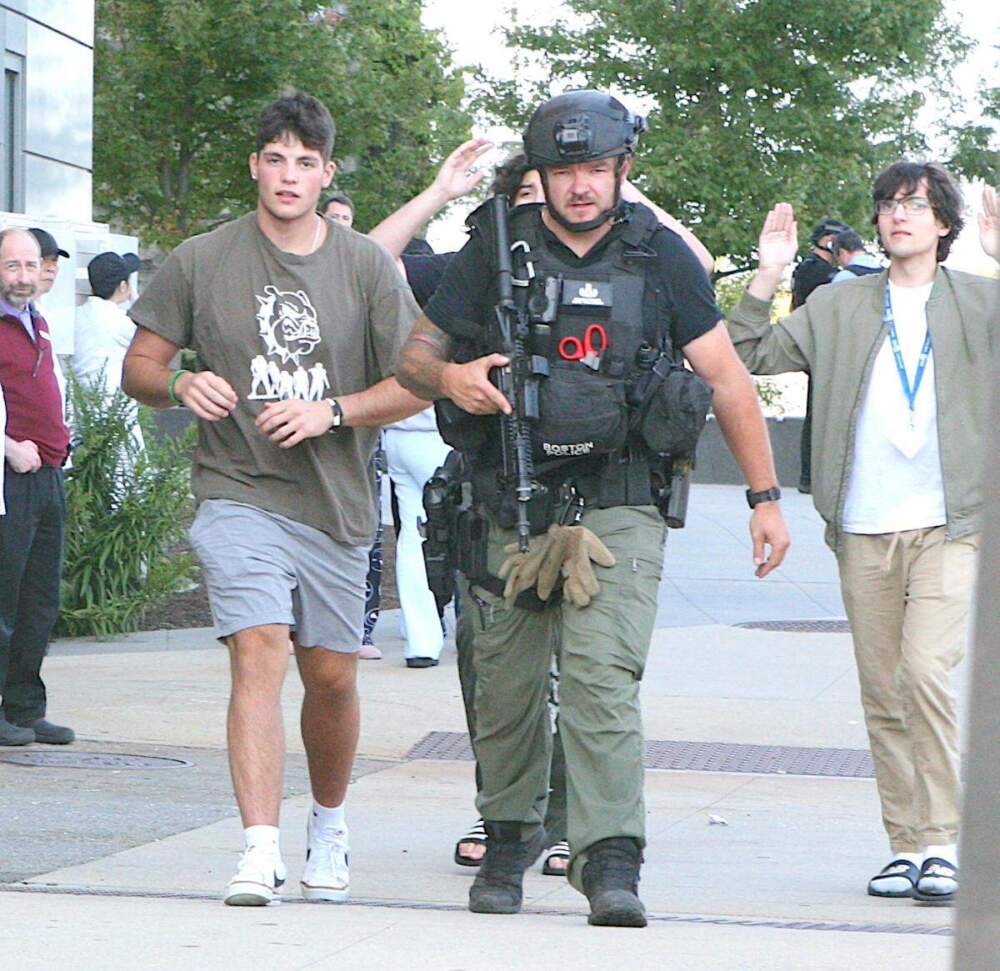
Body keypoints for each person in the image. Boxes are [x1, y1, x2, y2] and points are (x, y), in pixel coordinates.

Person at [396, 89, 789, 927]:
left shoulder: (659, 259)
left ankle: (611, 859)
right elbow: (415, 354)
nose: (579, 185)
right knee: (503, 684)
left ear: (623, 170)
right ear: (542, 173)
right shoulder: (492, 251)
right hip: (512, 495)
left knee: (600, 679)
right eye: (565, 168)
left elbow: (726, 381)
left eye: (596, 168)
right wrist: (452, 377)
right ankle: (508, 841)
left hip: (619, 498)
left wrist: (765, 497)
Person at [122, 90, 424, 906]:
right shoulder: (202, 258)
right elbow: (139, 368)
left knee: (330, 676)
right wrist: (182, 382)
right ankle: (258, 847)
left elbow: (418, 384)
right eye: (276, 158)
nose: (289, 174)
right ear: (255, 166)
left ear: (326, 174)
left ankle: (328, 821)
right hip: (237, 489)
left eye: (306, 161)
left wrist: (333, 410)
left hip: (334, 504)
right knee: (258, 648)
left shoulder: (364, 265)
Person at [728, 163, 999, 907]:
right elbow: (744, 355)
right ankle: (906, 845)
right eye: (888, 205)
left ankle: (945, 840)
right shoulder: (844, 305)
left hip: (953, 521)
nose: (899, 216)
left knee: (924, 673)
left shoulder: (978, 301)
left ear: (945, 223)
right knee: (883, 690)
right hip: (861, 523)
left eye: (916, 205)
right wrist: (767, 274)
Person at [0, 228, 75, 747]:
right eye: (13, 266)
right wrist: (7, 446)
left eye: (32, 266)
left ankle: (25, 707)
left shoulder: (37, 322)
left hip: (48, 476)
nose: (25, 277)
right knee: (4, 599)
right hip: (11, 477)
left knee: (40, 599)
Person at [792, 216, 850, 494]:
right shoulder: (816, 270)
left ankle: (810, 475)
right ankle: (810, 476)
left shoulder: (812, 268)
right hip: (817, 343)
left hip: (814, 343)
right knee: (819, 413)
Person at [74, 252, 142, 395]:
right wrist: (135, 300)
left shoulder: (76, 315)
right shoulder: (121, 322)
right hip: (113, 405)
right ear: (123, 286)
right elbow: (151, 336)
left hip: (78, 402)